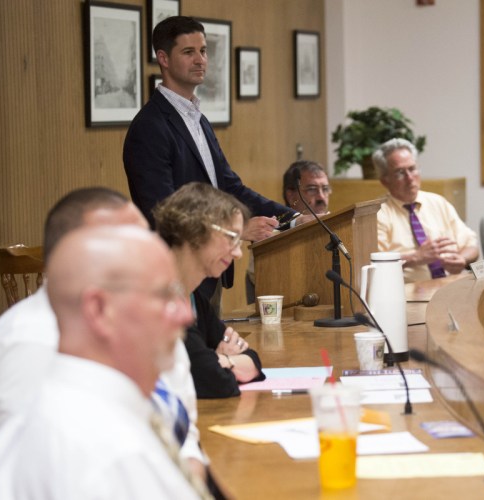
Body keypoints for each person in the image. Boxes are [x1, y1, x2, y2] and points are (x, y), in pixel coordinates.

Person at [0, 188, 215, 499]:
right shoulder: (29, 346)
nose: (185, 315)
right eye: (161, 294)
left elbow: (178, 419)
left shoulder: (127, 340)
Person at [123, 15, 295, 307]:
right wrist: (237, 231)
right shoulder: (149, 127)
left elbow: (228, 187)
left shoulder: (197, 119)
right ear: (163, 58)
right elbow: (163, 212)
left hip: (210, 271)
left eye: (203, 51)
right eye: (188, 52)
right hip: (176, 275)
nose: (200, 60)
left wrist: (292, 218)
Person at [153, 183, 265, 398]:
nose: (238, 253)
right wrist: (220, 362)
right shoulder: (161, 299)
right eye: (231, 237)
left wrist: (222, 360)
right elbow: (217, 383)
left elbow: (253, 360)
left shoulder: (194, 298)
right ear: (194, 229)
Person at [373, 138, 479, 283]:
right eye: (400, 173)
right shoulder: (378, 213)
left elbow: (472, 246)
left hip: (451, 286)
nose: (410, 178)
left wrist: (462, 259)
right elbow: (376, 263)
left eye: (412, 169)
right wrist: (416, 257)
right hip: (410, 295)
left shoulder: (438, 202)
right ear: (385, 181)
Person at [245, 160, 331, 303]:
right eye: (311, 189)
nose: (321, 197)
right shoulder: (269, 232)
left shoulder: (336, 227)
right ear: (291, 195)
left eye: (325, 189)